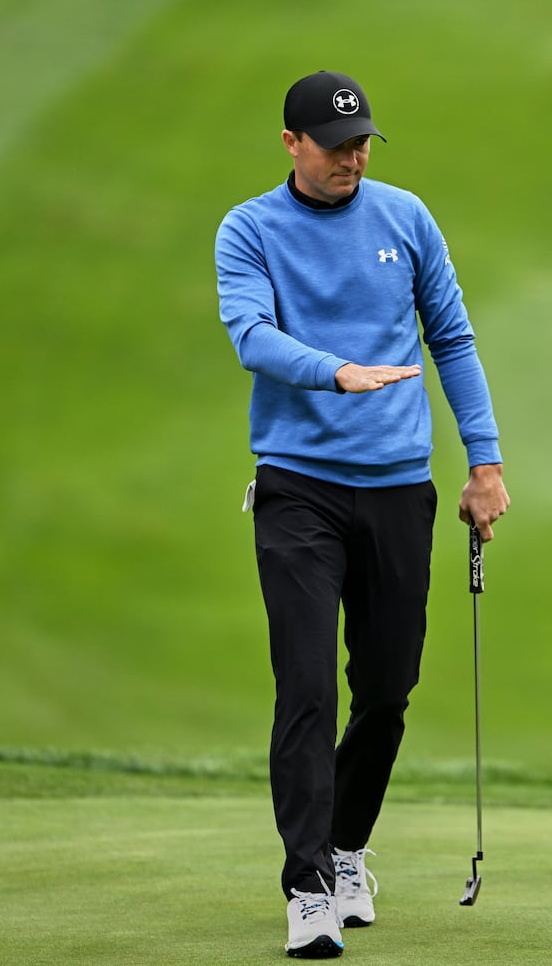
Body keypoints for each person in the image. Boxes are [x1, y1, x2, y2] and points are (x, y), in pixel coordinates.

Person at [214, 70, 510, 959]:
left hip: (396, 488)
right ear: (291, 144)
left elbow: (451, 337)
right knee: (304, 686)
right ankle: (308, 889)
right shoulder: (250, 228)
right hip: (297, 487)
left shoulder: (405, 217)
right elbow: (250, 335)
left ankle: (346, 849)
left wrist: (484, 463)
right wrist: (334, 370)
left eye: (363, 142)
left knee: (385, 690)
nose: (353, 157)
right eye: (336, 144)